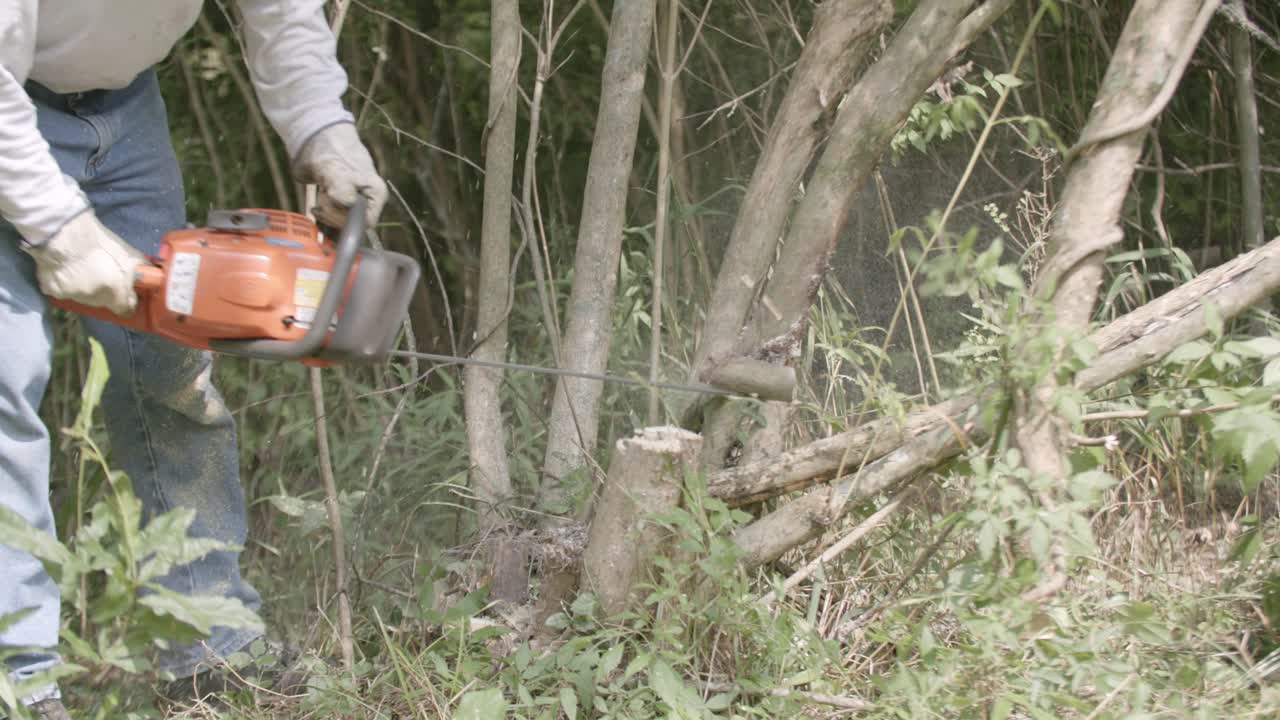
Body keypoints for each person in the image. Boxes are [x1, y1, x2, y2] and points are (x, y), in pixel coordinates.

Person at [0, 2, 389, 717]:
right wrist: (57, 225)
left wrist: (323, 128)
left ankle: (209, 644)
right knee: (4, 376)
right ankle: (17, 680)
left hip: (125, 108)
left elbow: (279, 11)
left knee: (171, 368)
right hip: (8, 99)